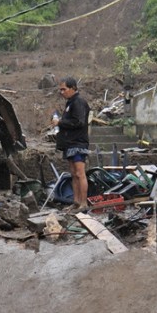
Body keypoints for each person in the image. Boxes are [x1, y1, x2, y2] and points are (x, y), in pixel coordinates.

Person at [53, 76, 90, 212]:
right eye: (60, 90)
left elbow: (79, 122)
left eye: (64, 89)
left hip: (77, 143)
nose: (62, 92)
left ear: (73, 88)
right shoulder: (70, 103)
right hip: (69, 143)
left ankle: (84, 203)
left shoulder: (78, 102)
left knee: (80, 173)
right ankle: (76, 201)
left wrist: (61, 122)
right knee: (73, 173)